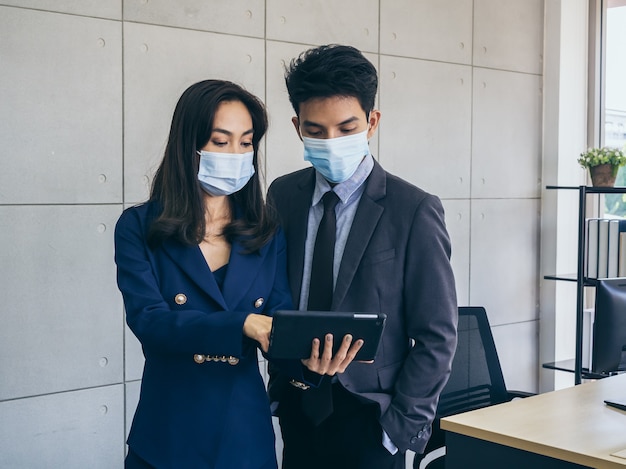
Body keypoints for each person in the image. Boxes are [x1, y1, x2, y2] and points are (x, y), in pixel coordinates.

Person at [114, 80, 359, 469]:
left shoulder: (264, 229)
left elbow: (279, 320)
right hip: (168, 432)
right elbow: (150, 322)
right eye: (220, 140)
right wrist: (241, 323)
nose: (236, 153)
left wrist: (309, 363)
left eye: (246, 143)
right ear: (189, 146)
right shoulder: (140, 227)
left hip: (244, 435)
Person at [267, 44, 459, 469]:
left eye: (346, 127)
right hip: (297, 404)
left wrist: (396, 431)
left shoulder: (414, 209)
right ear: (297, 126)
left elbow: (437, 335)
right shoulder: (283, 195)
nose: (330, 141)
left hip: (370, 418)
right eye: (315, 131)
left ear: (372, 122)